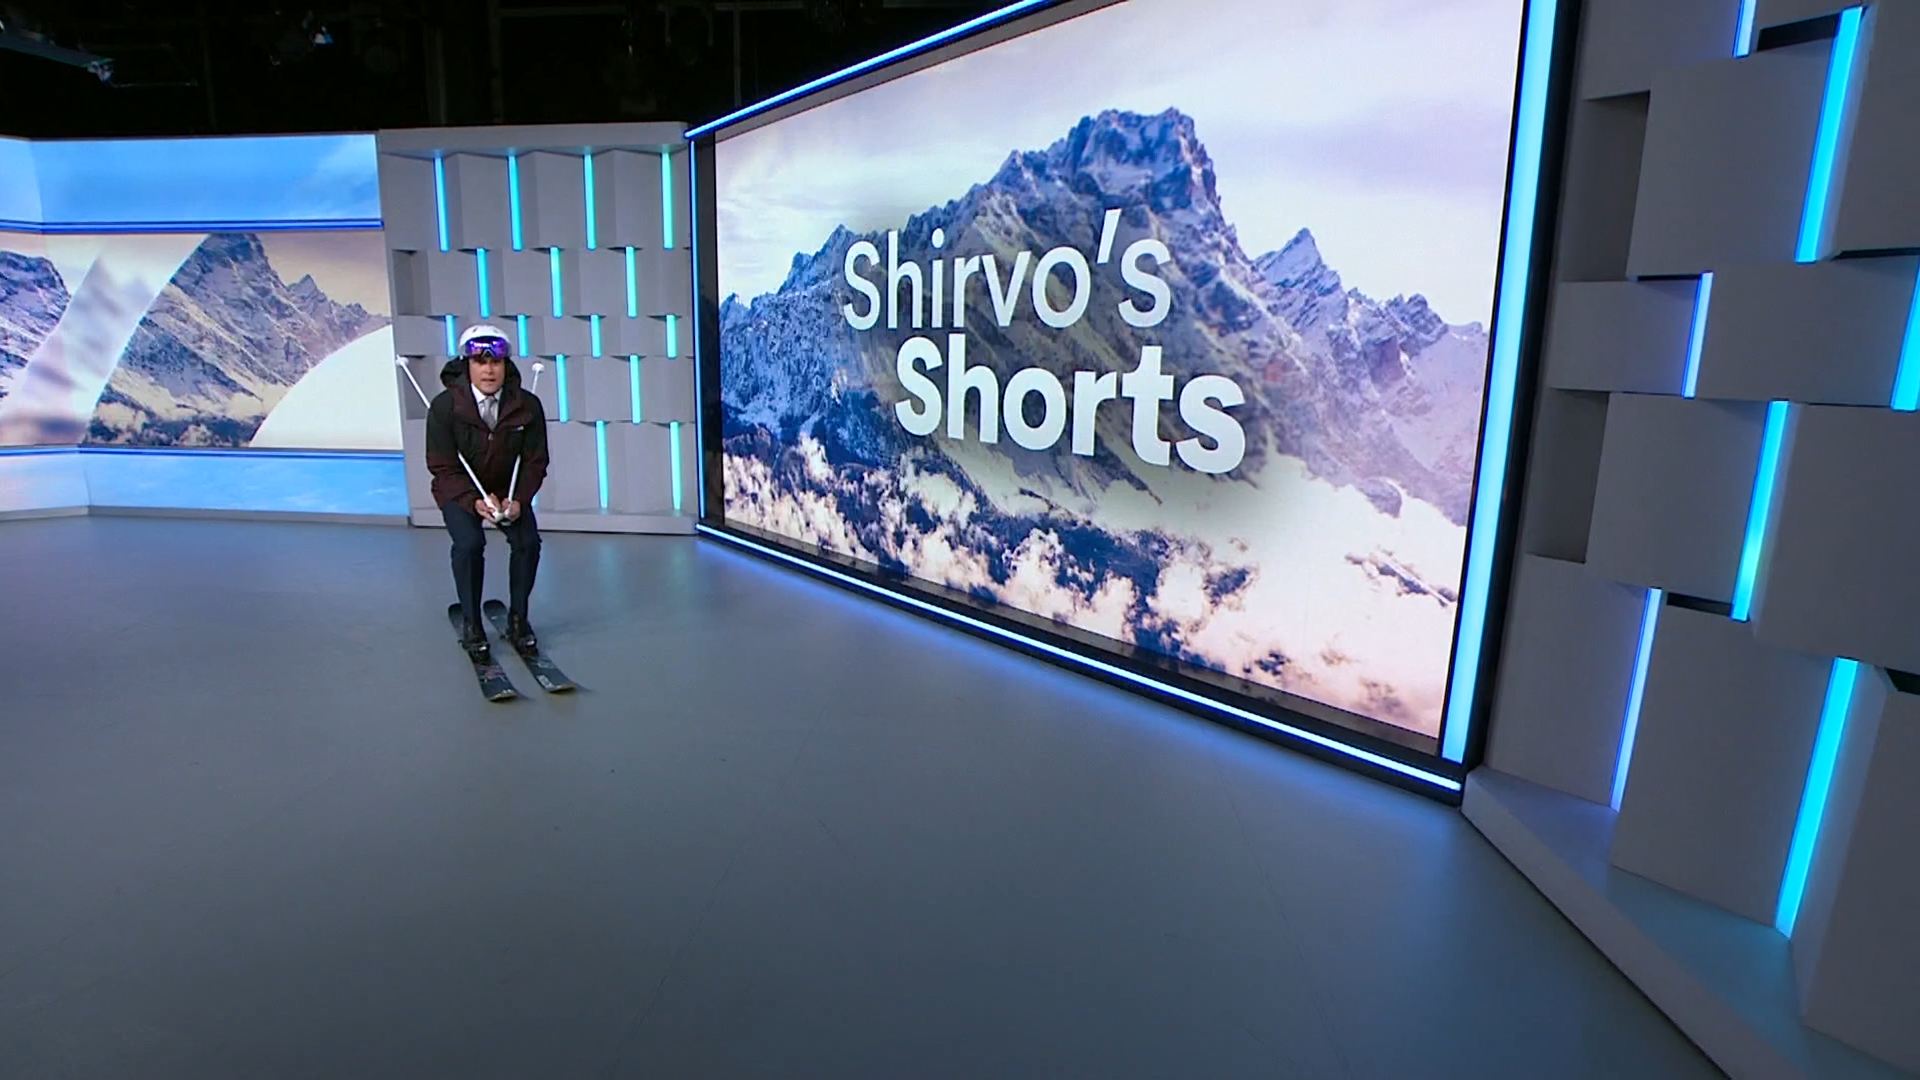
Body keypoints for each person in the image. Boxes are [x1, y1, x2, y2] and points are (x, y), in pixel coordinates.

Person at [426, 323, 550, 657]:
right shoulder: (444, 407)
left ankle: (518, 619)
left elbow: (535, 461)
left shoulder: (528, 405)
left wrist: (519, 500)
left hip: (508, 489)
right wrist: (472, 501)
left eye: (495, 362)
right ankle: (472, 623)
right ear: (466, 364)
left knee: (528, 543)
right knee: (469, 544)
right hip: (461, 489)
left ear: (505, 364)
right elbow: (442, 465)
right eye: (480, 361)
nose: (489, 370)